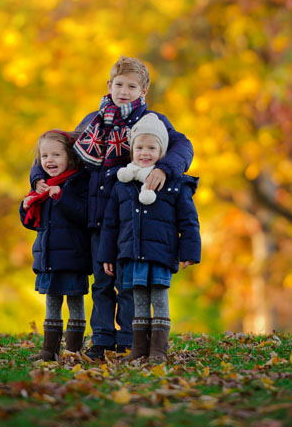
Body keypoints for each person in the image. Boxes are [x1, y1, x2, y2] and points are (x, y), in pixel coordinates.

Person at [29, 56, 193, 360]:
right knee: (102, 282)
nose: (124, 91)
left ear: (143, 91)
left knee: (128, 282)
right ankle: (102, 341)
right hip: (96, 217)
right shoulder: (94, 121)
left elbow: (183, 146)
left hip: (132, 218)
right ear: (109, 85)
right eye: (119, 84)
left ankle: (131, 341)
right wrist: (38, 175)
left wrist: (166, 169)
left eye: (132, 86)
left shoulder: (151, 122)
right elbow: (59, 149)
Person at [99, 113, 201, 362]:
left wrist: (189, 252)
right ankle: (139, 347)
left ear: (162, 151)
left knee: (159, 297)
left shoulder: (175, 184)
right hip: (131, 253)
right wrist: (107, 256)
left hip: (161, 253)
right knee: (138, 300)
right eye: (140, 147)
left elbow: (188, 221)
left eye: (152, 148)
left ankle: (158, 349)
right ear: (131, 150)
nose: (145, 152)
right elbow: (111, 224)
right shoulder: (122, 185)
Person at [21, 130, 91, 361]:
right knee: (51, 302)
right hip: (48, 256)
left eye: (56, 155)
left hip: (73, 256)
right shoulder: (42, 187)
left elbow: (84, 215)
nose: (49, 160)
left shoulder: (78, 183)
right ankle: (49, 349)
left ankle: (73, 349)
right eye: (45, 156)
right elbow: (33, 224)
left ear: (70, 157)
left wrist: (61, 197)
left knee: (74, 301)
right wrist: (26, 206)